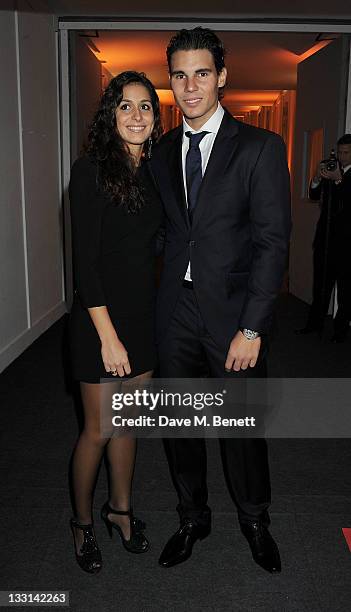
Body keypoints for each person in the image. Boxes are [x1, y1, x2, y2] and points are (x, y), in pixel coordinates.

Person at [149, 28, 291, 573]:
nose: (189, 86)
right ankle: (192, 517)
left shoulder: (259, 147)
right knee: (180, 426)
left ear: (222, 77)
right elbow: (167, 233)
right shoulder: (162, 152)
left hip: (234, 316)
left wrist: (252, 328)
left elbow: (272, 244)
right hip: (174, 314)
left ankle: (255, 520)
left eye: (201, 73)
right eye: (180, 74)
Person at [68, 71, 163, 573]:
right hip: (99, 321)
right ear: (110, 114)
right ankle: (81, 523)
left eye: (145, 106)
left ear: (155, 115)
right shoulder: (89, 171)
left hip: (142, 317)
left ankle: (120, 511)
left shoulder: (155, 172)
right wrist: (109, 338)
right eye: (125, 106)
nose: (136, 116)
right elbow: (85, 265)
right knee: (99, 430)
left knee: (130, 425)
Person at [295, 134, 351, 342]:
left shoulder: (344, 176)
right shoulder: (330, 171)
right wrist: (318, 179)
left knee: (345, 292)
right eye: (341, 152)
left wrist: (339, 179)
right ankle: (313, 324)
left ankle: (340, 332)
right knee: (319, 287)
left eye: (347, 153)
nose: (342, 157)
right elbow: (314, 196)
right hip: (325, 240)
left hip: (346, 245)